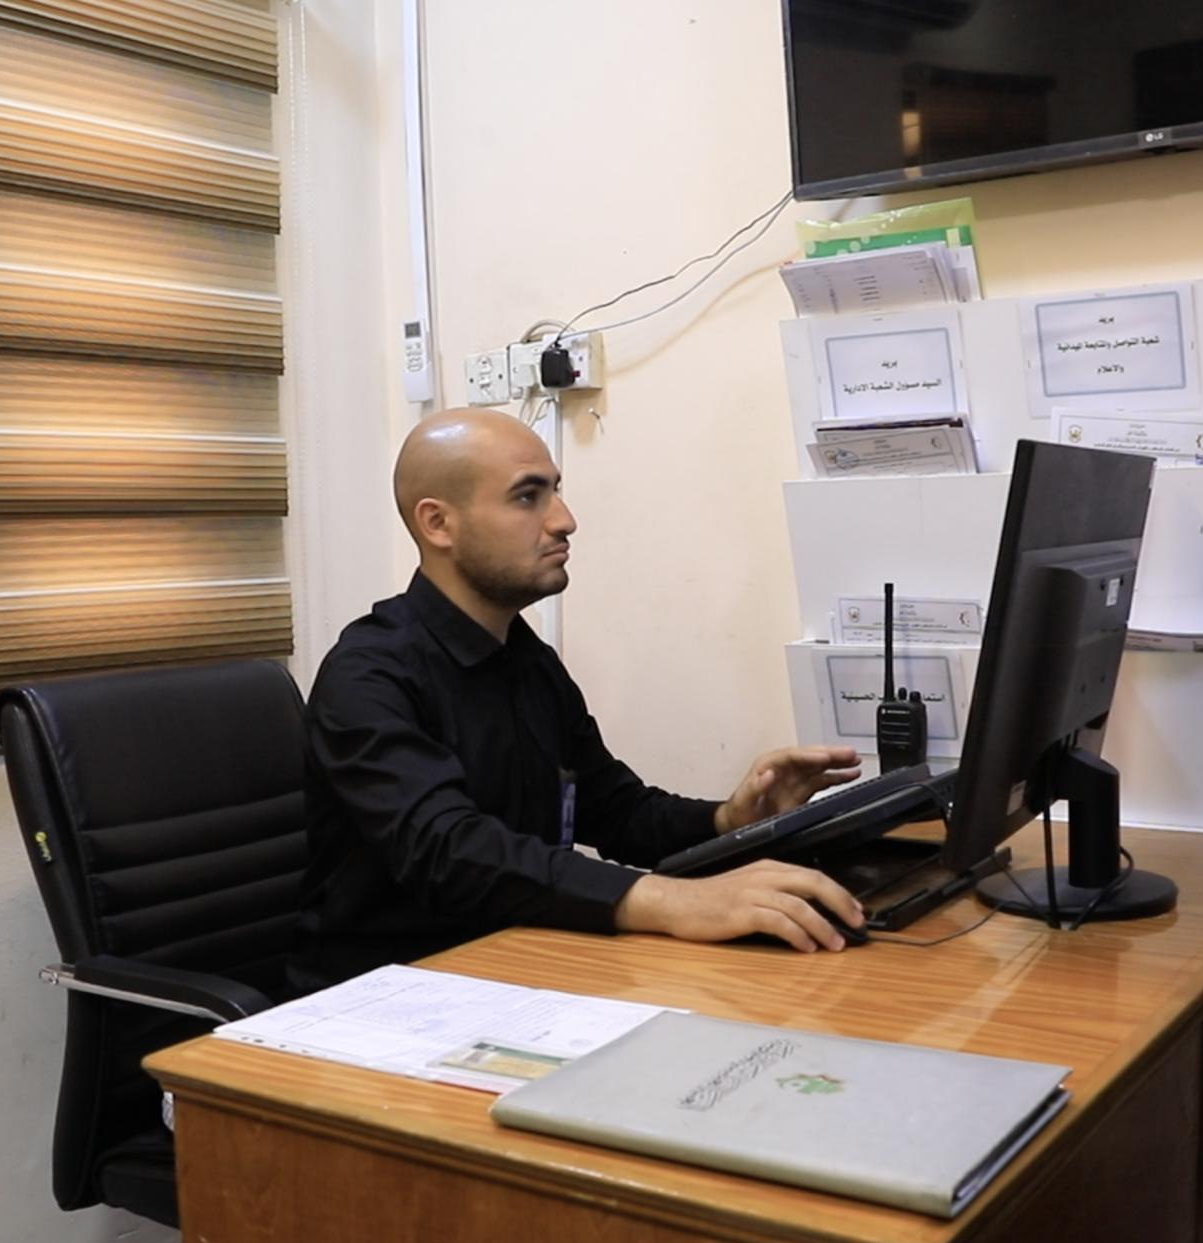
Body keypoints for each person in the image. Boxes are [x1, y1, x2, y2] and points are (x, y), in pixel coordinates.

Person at [290, 407, 867, 993]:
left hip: (518, 968)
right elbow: (449, 851)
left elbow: (616, 812)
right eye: (528, 497)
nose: (564, 520)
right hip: (386, 998)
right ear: (438, 523)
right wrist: (672, 901)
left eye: (556, 491)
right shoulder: (367, 675)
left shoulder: (525, 657)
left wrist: (730, 820)